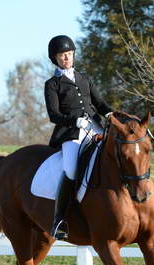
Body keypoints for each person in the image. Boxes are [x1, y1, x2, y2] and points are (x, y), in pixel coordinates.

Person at [45, 35, 112, 240]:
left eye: (69, 54)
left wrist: (111, 115)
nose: (66, 58)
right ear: (55, 58)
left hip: (95, 128)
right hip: (71, 132)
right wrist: (75, 121)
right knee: (71, 170)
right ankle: (60, 220)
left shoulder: (84, 78)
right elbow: (53, 115)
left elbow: (100, 103)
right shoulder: (52, 84)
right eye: (62, 55)